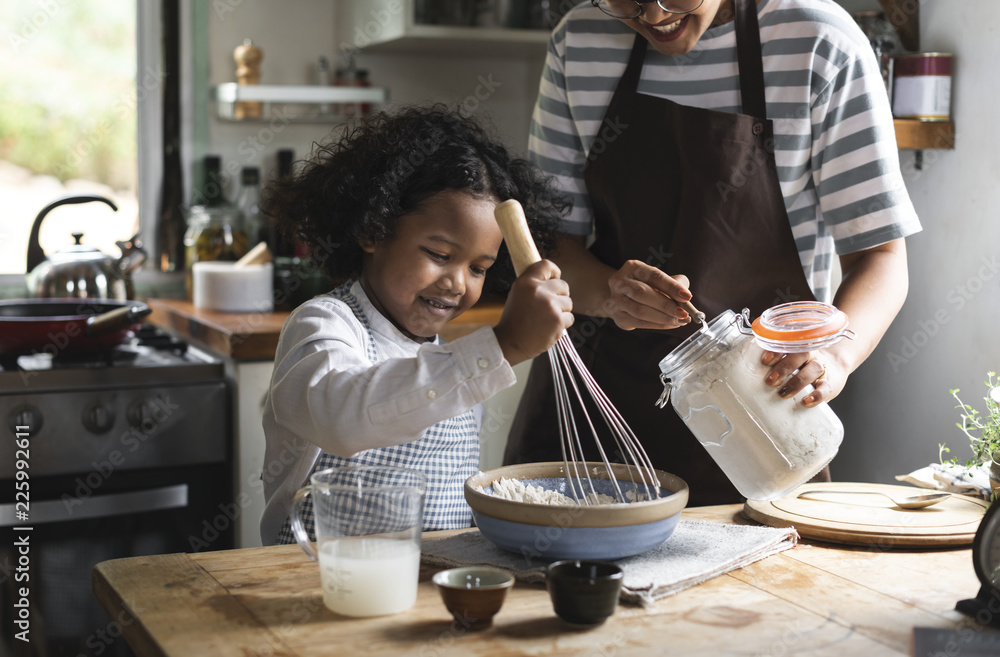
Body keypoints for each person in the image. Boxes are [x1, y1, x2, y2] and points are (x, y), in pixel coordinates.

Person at [504, 0, 922, 505]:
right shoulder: (581, 42)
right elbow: (553, 246)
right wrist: (611, 295)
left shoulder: (818, 42)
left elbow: (880, 256)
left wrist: (836, 355)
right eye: (624, 0)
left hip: (760, 420)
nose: (653, 14)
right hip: (597, 409)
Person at [258, 105, 574, 546]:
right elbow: (343, 418)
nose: (457, 283)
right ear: (373, 229)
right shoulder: (324, 326)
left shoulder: (451, 359)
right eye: (440, 255)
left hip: (433, 586)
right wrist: (503, 344)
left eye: (479, 268)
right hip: (321, 584)